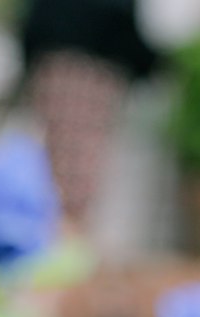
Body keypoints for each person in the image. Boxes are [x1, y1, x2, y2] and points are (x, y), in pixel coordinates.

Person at [19, 0, 157, 233]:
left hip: (58, 59)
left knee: (64, 161)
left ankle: (65, 241)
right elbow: (116, 19)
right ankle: (67, 244)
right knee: (75, 167)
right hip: (89, 64)